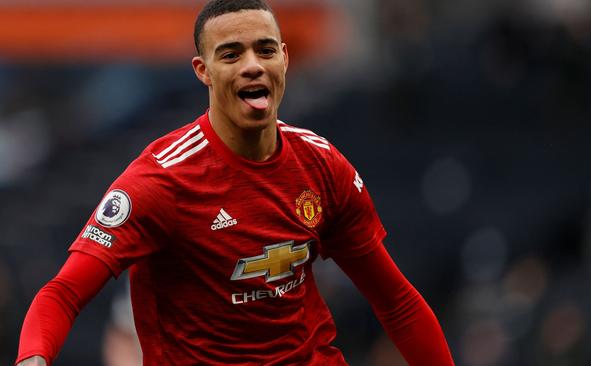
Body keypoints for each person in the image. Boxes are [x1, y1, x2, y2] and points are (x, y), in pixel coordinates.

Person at [15, 1, 455, 365]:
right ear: (202, 70)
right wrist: (33, 358)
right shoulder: (159, 182)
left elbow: (396, 302)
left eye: (265, 50)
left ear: (284, 57)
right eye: (230, 54)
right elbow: (62, 293)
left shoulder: (322, 165)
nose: (252, 66)